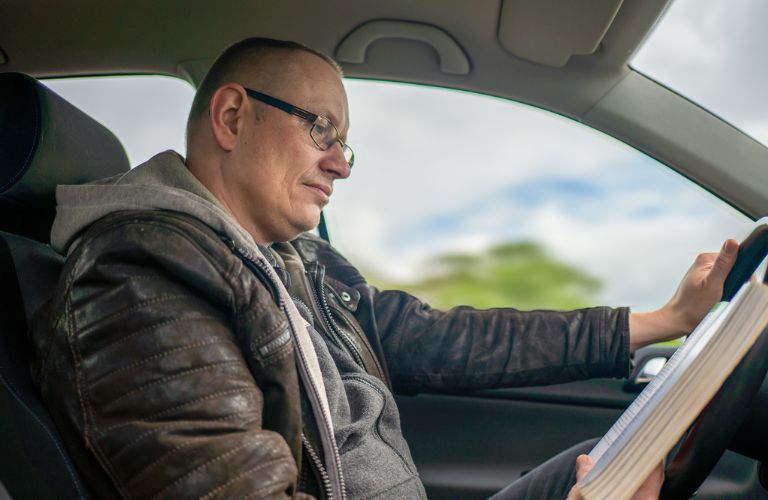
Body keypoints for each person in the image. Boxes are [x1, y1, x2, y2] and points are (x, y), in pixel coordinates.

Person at [30, 37, 736, 500]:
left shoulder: (296, 265)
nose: (339, 163)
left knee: (626, 457)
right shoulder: (138, 280)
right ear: (233, 117)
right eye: (321, 131)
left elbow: (444, 337)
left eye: (345, 144)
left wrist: (665, 321)